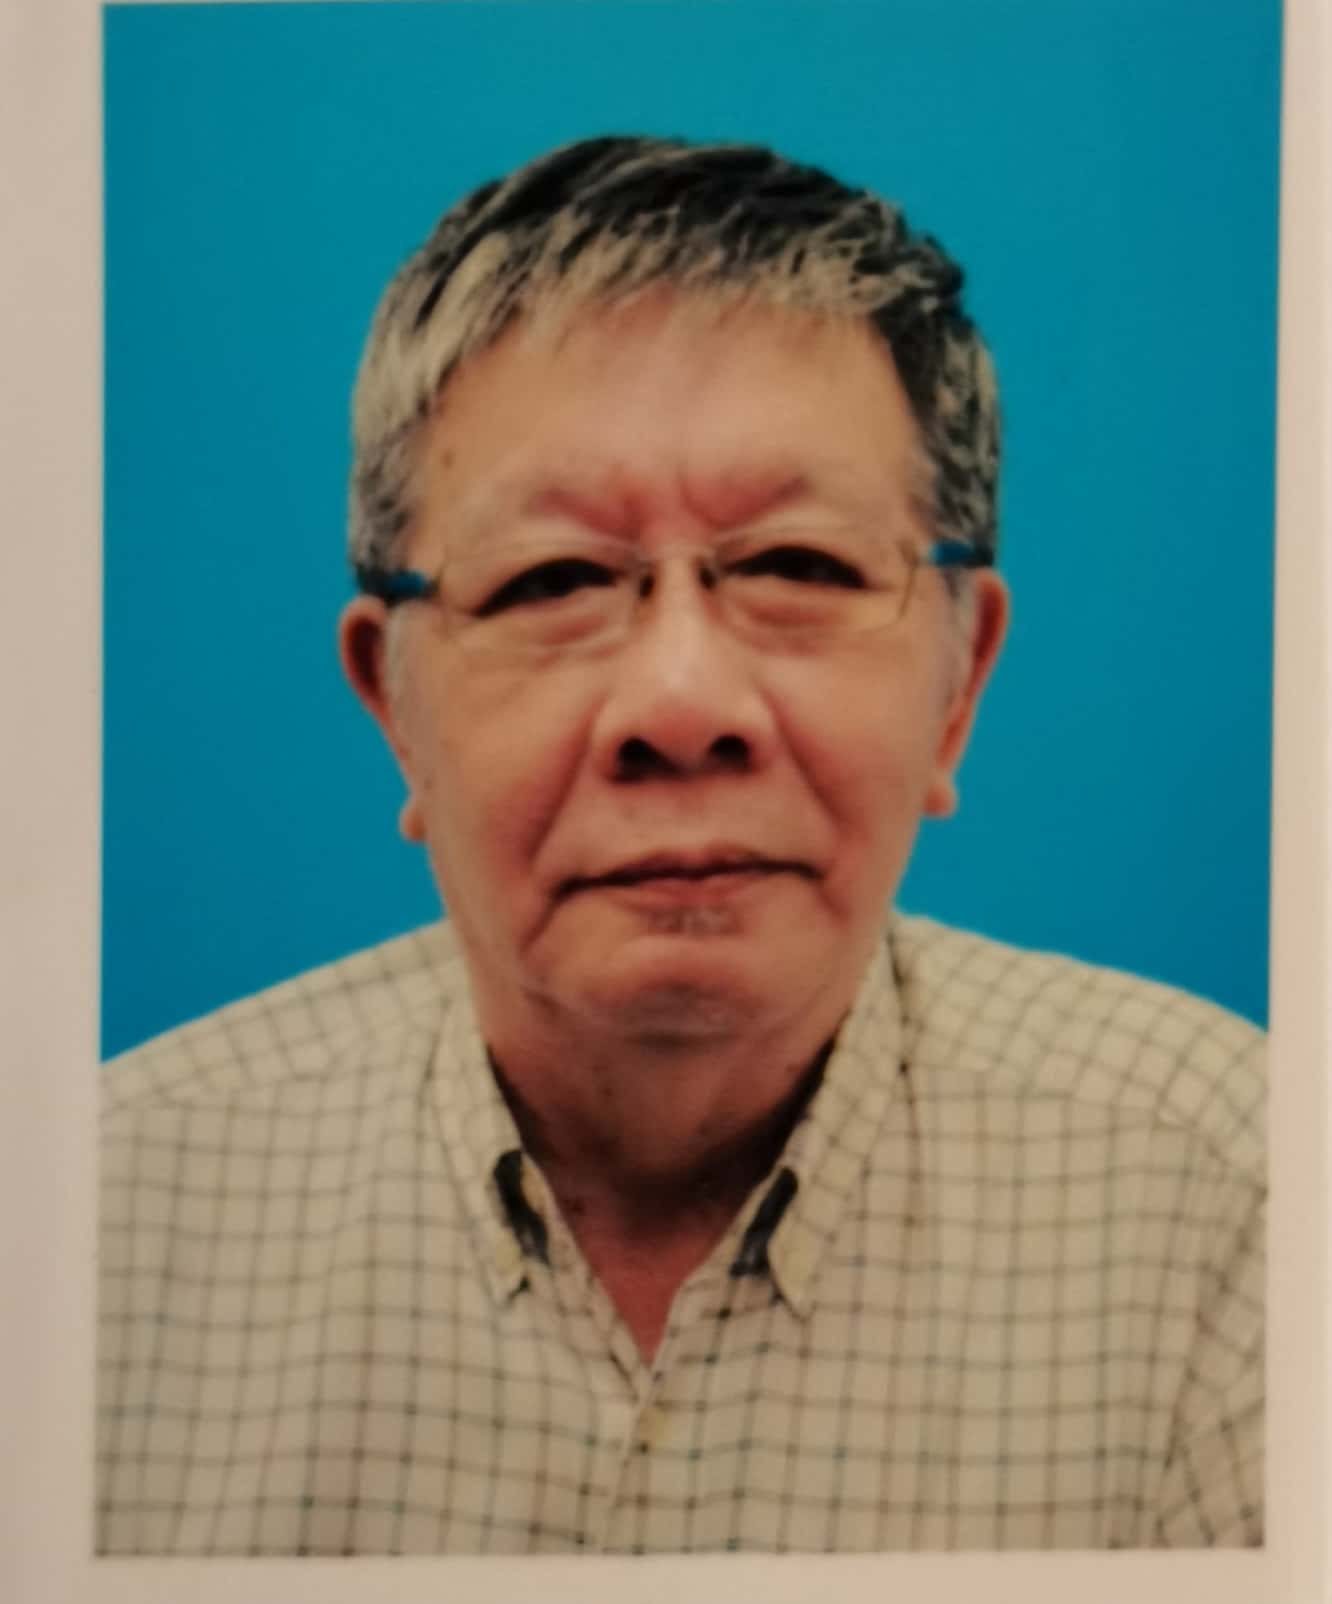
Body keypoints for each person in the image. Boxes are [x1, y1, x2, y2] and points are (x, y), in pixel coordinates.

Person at [97, 134, 1264, 1555]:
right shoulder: (97, 1222)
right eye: (553, 580)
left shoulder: (1241, 1207)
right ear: (393, 705)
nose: (681, 704)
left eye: (796, 566)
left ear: (960, 683)